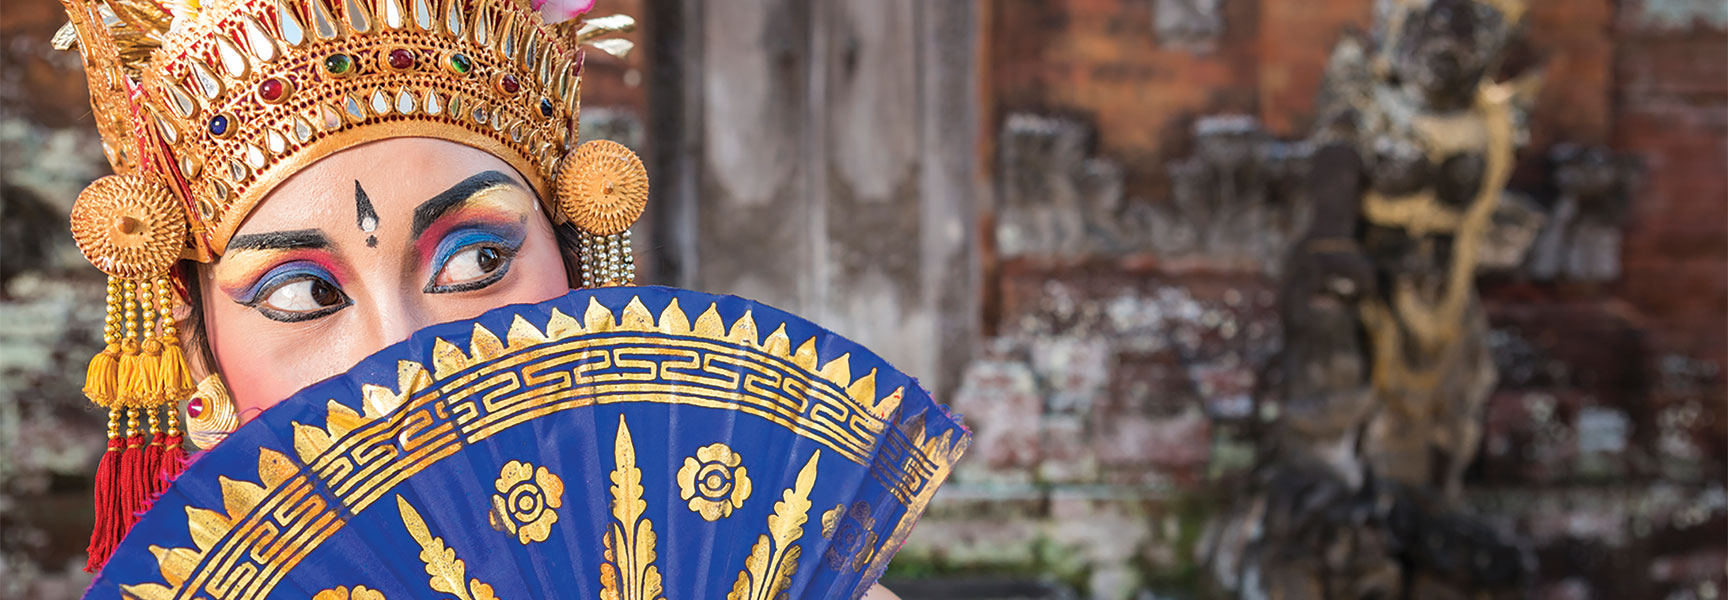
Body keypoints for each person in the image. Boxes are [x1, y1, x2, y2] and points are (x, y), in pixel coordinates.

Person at [55, 0, 910, 597]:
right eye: (306, 293)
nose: (403, 360)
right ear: (193, 340)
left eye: (476, 262)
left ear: (578, 268)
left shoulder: (769, 570)